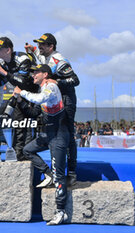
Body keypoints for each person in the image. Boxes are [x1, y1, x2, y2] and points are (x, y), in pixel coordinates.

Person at [14, 64, 69, 225]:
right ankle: (48, 174)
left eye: (36, 72)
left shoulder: (51, 87)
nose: (33, 75)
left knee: (59, 173)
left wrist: (21, 92)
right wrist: (19, 100)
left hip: (59, 134)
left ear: (45, 74)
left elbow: (39, 100)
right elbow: (34, 112)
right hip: (47, 133)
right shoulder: (41, 89)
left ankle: (61, 211)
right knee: (27, 150)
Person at [25, 33, 80, 185]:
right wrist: (32, 50)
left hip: (67, 100)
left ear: (51, 47)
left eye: (42, 45)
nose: (39, 47)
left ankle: (72, 173)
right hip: (54, 101)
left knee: (68, 137)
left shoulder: (60, 61)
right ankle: (56, 171)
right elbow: (39, 55)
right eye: (39, 44)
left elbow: (75, 80)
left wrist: (56, 81)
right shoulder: (43, 55)